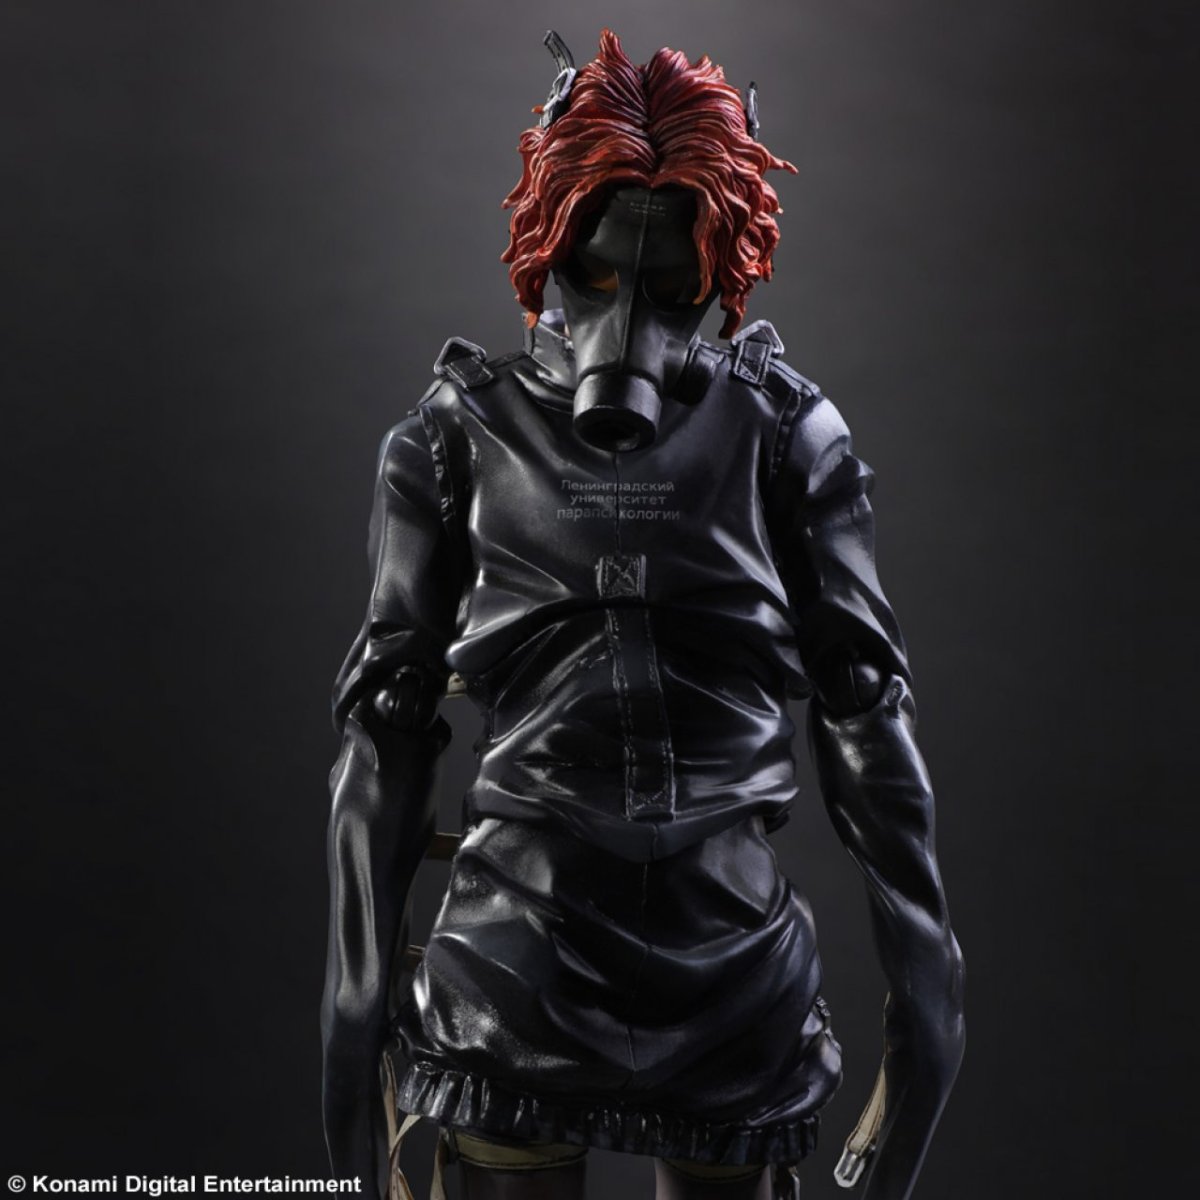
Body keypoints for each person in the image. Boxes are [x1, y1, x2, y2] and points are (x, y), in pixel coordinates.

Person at [321, 30, 964, 1200]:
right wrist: (355, 996)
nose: (626, 334)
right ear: (547, 247)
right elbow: (386, 723)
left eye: (672, 288)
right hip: (516, 966)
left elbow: (867, 706)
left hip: (732, 975)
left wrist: (930, 992)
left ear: (723, 271)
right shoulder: (456, 436)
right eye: (598, 275)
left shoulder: (783, 434)